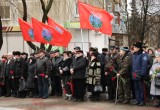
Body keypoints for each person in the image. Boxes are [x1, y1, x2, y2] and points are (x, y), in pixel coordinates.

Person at [132, 42, 148, 106]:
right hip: (134, 74)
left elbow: (144, 66)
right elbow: (133, 65)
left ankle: (142, 101)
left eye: (135, 47)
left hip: (140, 74)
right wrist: (132, 73)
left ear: (139, 48)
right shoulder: (134, 55)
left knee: (141, 88)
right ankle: (138, 100)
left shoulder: (143, 55)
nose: (134, 48)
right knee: (136, 88)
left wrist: (142, 74)